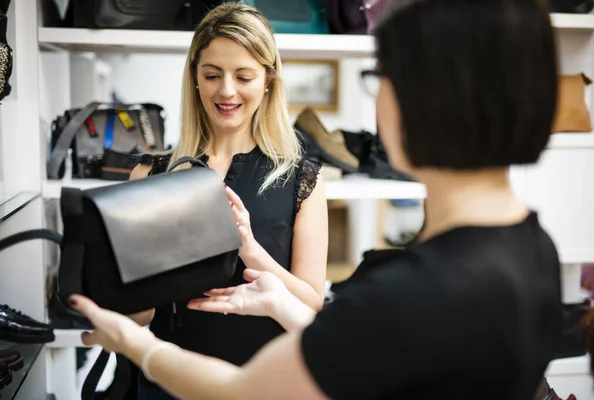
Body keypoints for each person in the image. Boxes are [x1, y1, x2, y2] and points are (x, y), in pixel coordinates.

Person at [70, 0, 564, 398]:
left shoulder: (407, 294)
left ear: (426, 100)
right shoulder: (532, 249)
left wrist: (133, 344)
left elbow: (244, 392)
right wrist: (279, 302)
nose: (376, 99)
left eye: (381, 77)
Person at [126, 2, 328, 398]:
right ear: (195, 78)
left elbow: (310, 303)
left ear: (268, 80)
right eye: (212, 74)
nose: (227, 90)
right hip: (168, 385)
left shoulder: (301, 178)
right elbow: (137, 316)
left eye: (244, 76)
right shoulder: (150, 175)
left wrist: (253, 254)